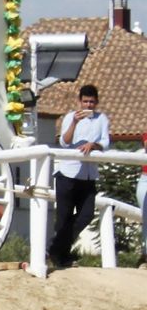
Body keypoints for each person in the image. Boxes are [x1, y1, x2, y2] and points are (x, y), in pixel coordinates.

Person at [49, 83, 110, 269]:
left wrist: (94, 145)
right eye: (85, 102)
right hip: (68, 174)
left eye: (92, 102)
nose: (88, 105)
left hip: (88, 176)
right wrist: (74, 123)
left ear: (96, 102)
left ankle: (55, 248)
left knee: (86, 215)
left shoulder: (101, 119)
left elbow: (106, 142)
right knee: (64, 217)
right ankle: (61, 256)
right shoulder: (70, 117)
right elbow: (64, 142)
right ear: (80, 101)